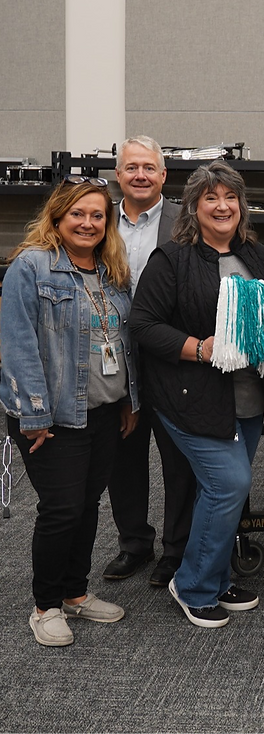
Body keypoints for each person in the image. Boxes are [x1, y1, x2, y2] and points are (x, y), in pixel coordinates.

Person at [130, 160, 264, 629]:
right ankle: (193, 584)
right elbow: (142, 325)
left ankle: (215, 579)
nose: (222, 205)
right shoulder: (172, 258)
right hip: (189, 395)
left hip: (246, 397)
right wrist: (198, 348)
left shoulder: (255, 254)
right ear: (193, 206)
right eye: (210, 197)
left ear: (242, 205)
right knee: (228, 484)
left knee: (223, 492)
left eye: (230, 197)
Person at [1, 177, 139, 646]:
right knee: (61, 510)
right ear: (57, 217)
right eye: (77, 213)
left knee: (87, 504)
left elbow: (122, 342)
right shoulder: (31, 266)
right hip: (53, 416)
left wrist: (128, 399)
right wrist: (34, 413)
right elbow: (17, 344)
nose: (87, 223)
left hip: (103, 410)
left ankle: (75, 593)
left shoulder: (111, 270)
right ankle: (45, 606)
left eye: (97, 215)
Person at [102, 136, 195, 588]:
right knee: (123, 458)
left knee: (178, 459)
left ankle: (176, 551)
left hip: (171, 357)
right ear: (118, 175)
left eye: (149, 168)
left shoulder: (186, 221)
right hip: (114, 359)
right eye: (131, 167)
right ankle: (134, 543)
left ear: (163, 175)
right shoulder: (98, 220)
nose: (140, 175)